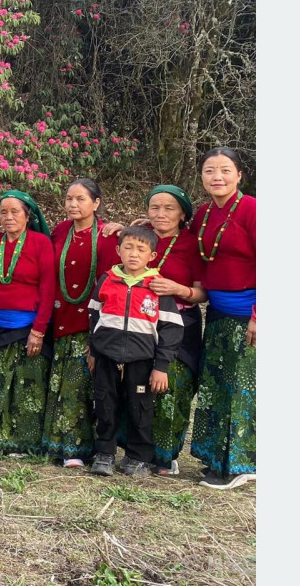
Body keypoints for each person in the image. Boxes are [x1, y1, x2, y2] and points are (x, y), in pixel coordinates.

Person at [117, 184, 207, 476]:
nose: (161, 213)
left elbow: (202, 292)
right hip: (140, 324)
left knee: (172, 384)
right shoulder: (140, 237)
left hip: (181, 324)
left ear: (182, 213)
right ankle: (135, 449)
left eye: (169, 208)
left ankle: (165, 456)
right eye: (155, 207)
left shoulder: (193, 243)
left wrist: (177, 288)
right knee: (138, 382)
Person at [87, 226, 185, 477]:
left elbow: (172, 329)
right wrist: (93, 350)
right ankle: (105, 453)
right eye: (128, 248)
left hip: (142, 358)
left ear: (151, 255)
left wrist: (161, 366)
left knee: (140, 407)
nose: (133, 254)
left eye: (141, 249)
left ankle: (138, 456)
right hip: (107, 356)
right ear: (118, 250)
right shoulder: (107, 280)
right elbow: (94, 315)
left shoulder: (157, 286)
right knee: (105, 403)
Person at [188, 147, 256, 490]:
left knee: (241, 389)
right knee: (216, 387)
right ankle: (216, 458)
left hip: (247, 315)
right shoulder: (202, 214)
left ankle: (243, 463)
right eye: (209, 170)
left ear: (239, 175)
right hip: (215, 313)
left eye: (225, 170)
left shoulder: (253, 210)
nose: (217, 177)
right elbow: (185, 242)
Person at [42, 179, 121, 467]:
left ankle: (79, 448)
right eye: (69, 199)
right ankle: (57, 443)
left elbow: (108, 284)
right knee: (60, 382)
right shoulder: (61, 231)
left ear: (96, 203)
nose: (73, 205)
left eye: (81, 199)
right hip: (60, 316)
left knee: (80, 384)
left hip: (89, 321)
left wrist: (97, 330)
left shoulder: (108, 236)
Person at [0, 190, 55, 456]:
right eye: (3, 212)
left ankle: (22, 442)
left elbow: (48, 287)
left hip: (29, 327)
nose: (8, 217)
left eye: (14, 211)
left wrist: (39, 331)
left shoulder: (41, 243)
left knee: (26, 386)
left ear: (28, 215)